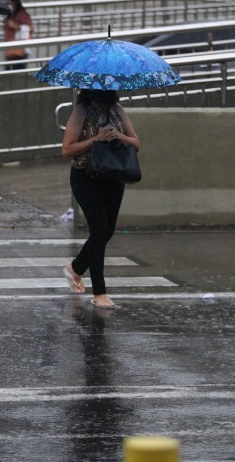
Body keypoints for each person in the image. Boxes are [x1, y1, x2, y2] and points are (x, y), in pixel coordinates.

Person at [61, 89, 141, 308]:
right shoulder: (81, 111)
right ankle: (100, 292)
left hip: (114, 175)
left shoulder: (117, 109)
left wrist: (119, 135)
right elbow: (67, 149)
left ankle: (75, 268)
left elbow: (136, 143)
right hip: (85, 176)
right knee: (99, 229)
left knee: (108, 230)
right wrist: (97, 138)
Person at [3, 0, 33, 70]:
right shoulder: (11, 14)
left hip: (19, 45)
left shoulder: (22, 14)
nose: (8, 5)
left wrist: (16, 26)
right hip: (10, 44)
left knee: (18, 67)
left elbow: (30, 28)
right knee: (8, 68)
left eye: (9, 3)